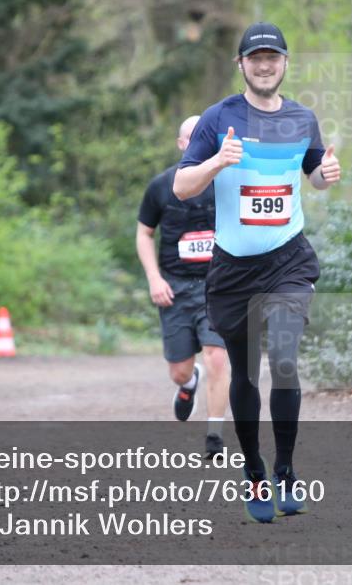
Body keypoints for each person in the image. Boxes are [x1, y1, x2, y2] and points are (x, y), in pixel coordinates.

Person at [173, 22, 341, 522]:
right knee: (245, 371)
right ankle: (255, 473)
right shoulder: (217, 118)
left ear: (285, 63)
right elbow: (182, 185)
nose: (264, 65)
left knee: (285, 359)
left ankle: (287, 470)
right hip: (234, 269)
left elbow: (313, 172)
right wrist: (217, 163)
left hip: (288, 258)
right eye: (255, 58)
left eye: (273, 57)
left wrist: (324, 177)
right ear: (240, 65)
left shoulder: (302, 117)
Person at [137, 116, 231, 457]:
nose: (197, 144)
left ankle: (215, 437)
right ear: (180, 144)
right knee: (179, 371)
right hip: (175, 287)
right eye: (191, 139)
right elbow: (144, 233)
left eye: (203, 138)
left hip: (218, 286)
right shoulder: (161, 186)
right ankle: (189, 383)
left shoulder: (227, 183)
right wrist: (154, 278)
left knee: (218, 357)